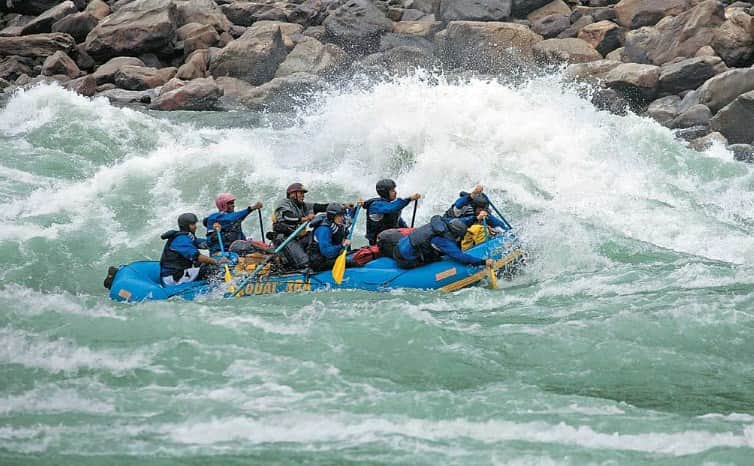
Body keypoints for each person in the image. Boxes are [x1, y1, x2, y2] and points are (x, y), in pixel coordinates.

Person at [272, 182, 348, 270]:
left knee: (315, 242)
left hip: (298, 237)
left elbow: (321, 207)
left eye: (303, 194)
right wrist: (305, 218)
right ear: (292, 194)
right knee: (304, 262)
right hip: (285, 239)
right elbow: (288, 217)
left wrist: (342, 206)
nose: (303, 196)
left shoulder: (303, 205)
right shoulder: (284, 203)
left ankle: (327, 257)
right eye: (301, 193)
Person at [393, 215, 494, 269]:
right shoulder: (443, 240)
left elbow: (460, 221)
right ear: (456, 235)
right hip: (404, 260)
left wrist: (476, 218)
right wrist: (483, 262)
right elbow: (460, 257)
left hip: (398, 247)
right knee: (438, 258)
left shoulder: (442, 223)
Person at [159, 213, 228, 286]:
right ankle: (220, 288)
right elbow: (197, 257)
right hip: (173, 277)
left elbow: (205, 244)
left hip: (180, 272)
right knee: (212, 269)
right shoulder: (180, 240)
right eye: (192, 224)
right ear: (186, 226)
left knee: (206, 264)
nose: (195, 227)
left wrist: (214, 233)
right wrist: (217, 261)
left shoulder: (187, 237)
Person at [363, 179, 420, 245]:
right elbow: (391, 208)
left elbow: (398, 222)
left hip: (391, 238)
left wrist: (410, 232)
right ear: (385, 193)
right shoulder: (375, 205)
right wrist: (409, 199)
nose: (395, 192)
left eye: (394, 190)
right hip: (378, 242)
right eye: (392, 191)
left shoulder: (391, 205)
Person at [308, 203, 351, 272]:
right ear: (332, 216)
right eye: (340, 216)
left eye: (342, 215)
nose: (342, 218)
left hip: (332, 257)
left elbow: (350, 220)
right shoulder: (324, 229)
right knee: (353, 263)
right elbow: (327, 252)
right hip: (320, 262)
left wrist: (354, 209)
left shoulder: (337, 223)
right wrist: (342, 245)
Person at [444, 184, 509, 231]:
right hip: (451, 226)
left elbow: (498, 224)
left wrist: (501, 230)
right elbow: (459, 204)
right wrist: (473, 194)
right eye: (480, 208)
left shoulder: (484, 212)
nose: (482, 211)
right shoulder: (463, 208)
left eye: (483, 208)